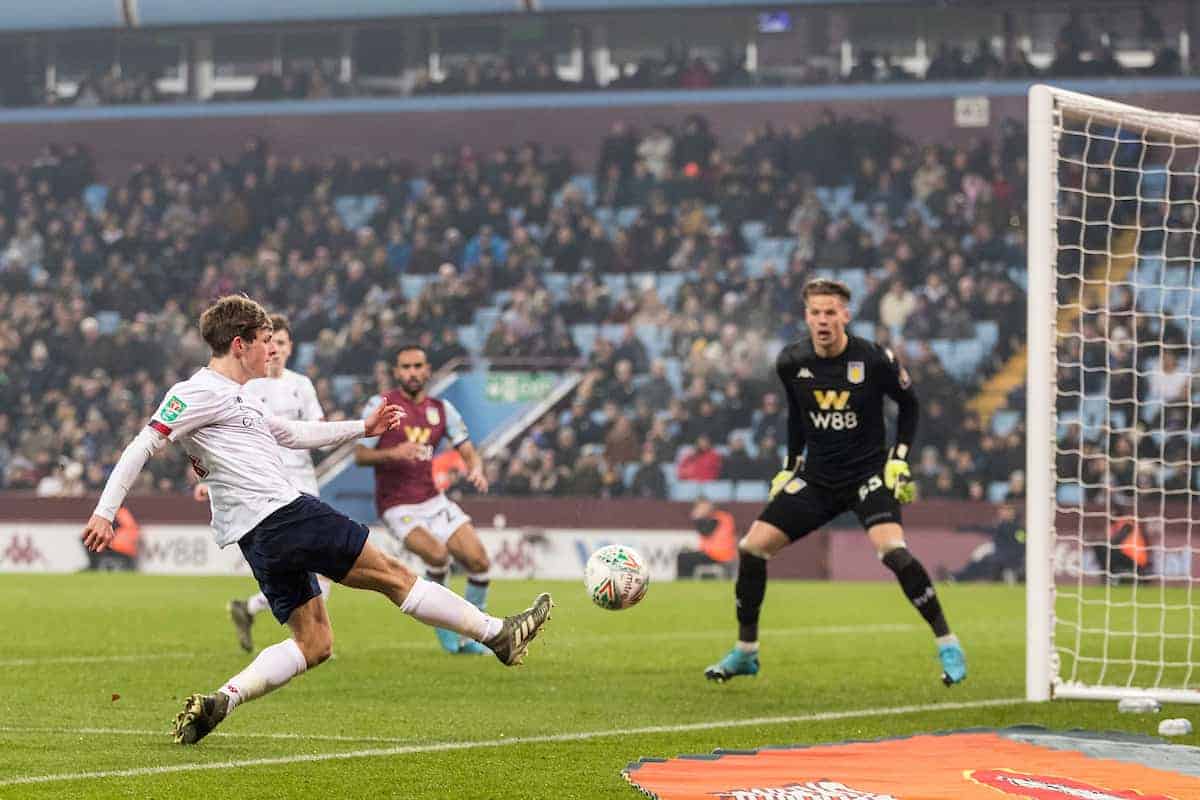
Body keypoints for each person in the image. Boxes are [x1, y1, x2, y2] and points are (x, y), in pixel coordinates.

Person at [82, 296, 552, 746]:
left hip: (259, 538)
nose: (274, 348)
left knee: (315, 642)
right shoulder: (196, 392)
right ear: (239, 344)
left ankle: (224, 699)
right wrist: (105, 513)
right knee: (396, 576)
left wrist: (361, 430)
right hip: (284, 514)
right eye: (266, 339)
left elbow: (289, 433)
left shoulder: (239, 396)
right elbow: (143, 444)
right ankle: (498, 635)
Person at [704, 279, 966, 686]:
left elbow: (910, 405)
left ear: (846, 315)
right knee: (751, 548)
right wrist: (791, 464)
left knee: (892, 550)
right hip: (818, 478)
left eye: (831, 312)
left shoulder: (874, 359)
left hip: (867, 475)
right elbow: (797, 415)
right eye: (816, 312)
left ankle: (948, 643)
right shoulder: (792, 361)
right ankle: (745, 652)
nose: (823, 320)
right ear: (806, 315)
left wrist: (898, 460)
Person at [194, 313, 331, 652]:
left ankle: (299, 631)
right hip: (265, 489)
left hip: (304, 485)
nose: (277, 350)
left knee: (318, 569)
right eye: (272, 342)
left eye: (282, 343)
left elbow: (317, 429)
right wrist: (209, 482)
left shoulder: (301, 385)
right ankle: (310, 638)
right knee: (310, 567)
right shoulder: (246, 387)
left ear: (291, 347)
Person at [354, 343, 494, 655]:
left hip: (434, 500)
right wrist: (394, 453)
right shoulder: (382, 405)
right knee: (437, 557)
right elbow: (360, 455)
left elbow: (468, 450)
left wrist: (476, 469)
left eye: (418, 366)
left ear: (428, 370)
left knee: (480, 561)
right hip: (397, 504)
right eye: (406, 367)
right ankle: (447, 632)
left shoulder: (442, 410)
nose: (413, 373)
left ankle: (472, 636)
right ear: (396, 372)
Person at [951, 499, 1025, 583]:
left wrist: (1011, 560)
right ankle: (957, 577)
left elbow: (1021, 547)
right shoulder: (1000, 525)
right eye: (1002, 509)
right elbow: (983, 528)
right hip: (997, 558)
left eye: (1008, 510)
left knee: (984, 564)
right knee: (979, 562)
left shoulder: (1018, 528)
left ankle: (957, 577)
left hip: (1009, 560)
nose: (1004, 512)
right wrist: (965, 528)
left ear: (1013, 512)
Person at [677, 498, 737, 579]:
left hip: (718, 555)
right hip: (717, 554)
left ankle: (684, 583)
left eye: (701, 508)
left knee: (683, 558)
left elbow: (705, 532)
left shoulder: (718, 517)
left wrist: (697, 518)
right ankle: (686, 582)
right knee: (685, 557)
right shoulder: (722, 516)